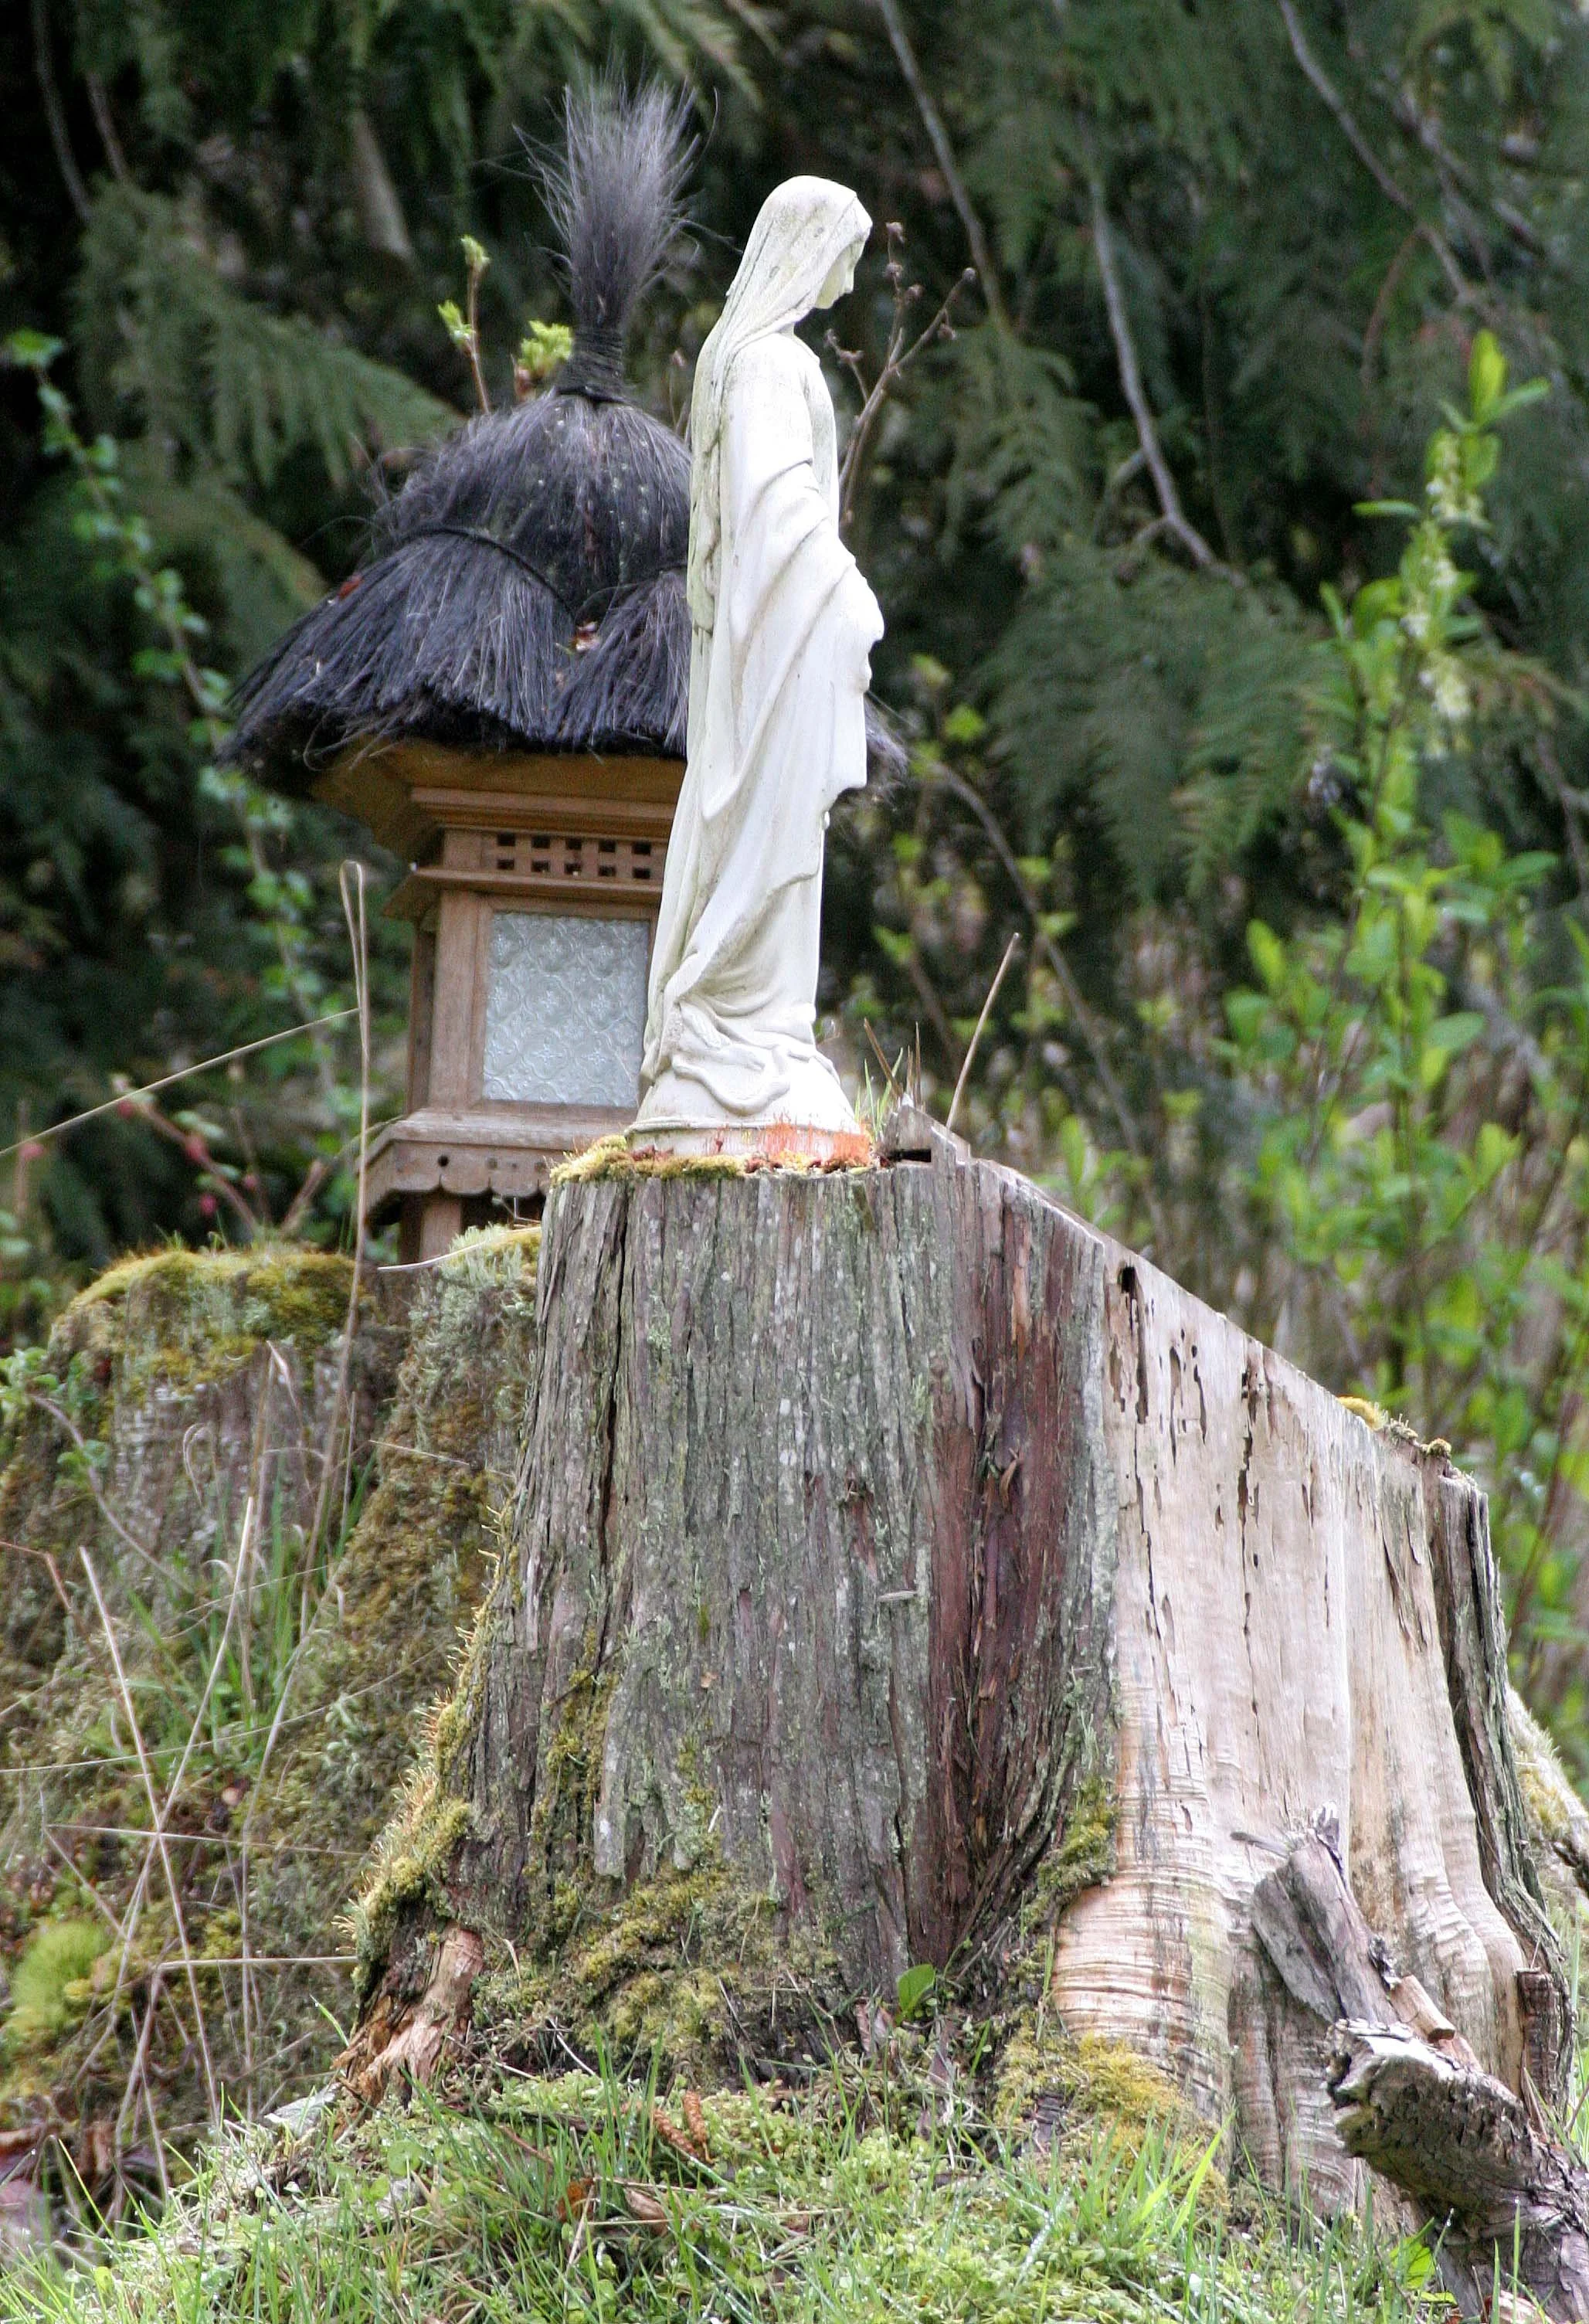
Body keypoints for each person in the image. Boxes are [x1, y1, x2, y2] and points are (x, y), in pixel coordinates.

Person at [632, 176, 882, 1147]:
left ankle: (766, 1027)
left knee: (778, 839)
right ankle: (738, 1027)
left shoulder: (748, 363)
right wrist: (842, 585)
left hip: (774, 634)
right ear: (803, 247)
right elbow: (777, 507)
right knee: (770, 837)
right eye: (843, 252)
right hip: (779, 635)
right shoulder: (772, 367)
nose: (852, 277)